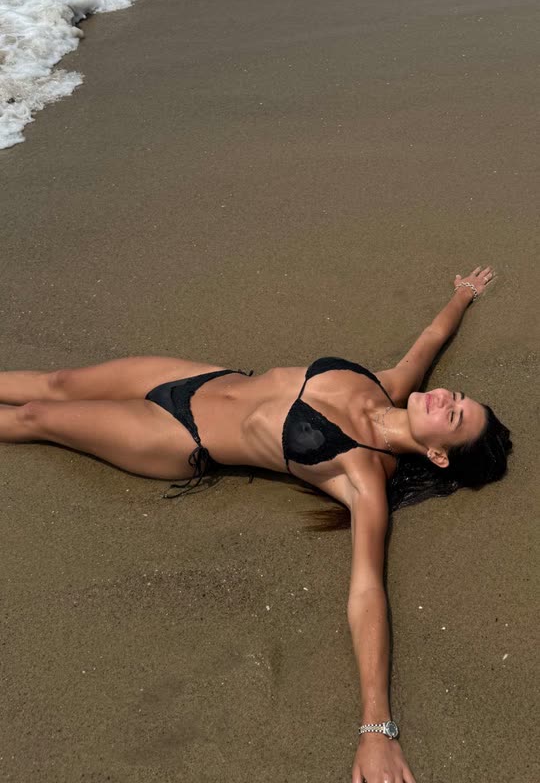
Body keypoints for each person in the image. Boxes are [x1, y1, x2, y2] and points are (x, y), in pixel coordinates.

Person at [0, 266, 511, 783]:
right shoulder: (390, 384)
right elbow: (431, 338)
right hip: (202, 378)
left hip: (177, 434)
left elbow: (366, 593)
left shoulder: (365, 475)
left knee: (36, 416)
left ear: (438, 455)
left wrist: (376, 729)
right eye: (458, 398)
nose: (446, 400)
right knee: (58, 382)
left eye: (453, 417)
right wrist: (463, 294)